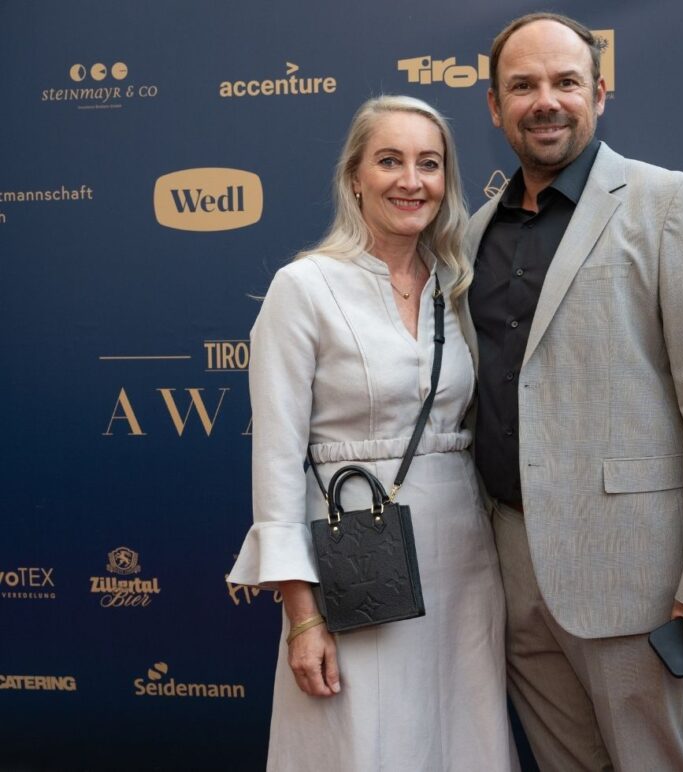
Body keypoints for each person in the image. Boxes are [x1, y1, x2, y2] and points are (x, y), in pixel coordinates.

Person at [464, 13, 683, 771]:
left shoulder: (669, 203)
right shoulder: (468, 238)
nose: (546, 101)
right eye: (522, 85)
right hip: (508, 571)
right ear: (495, 106)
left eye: (565, 82)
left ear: (600, 92)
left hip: (633, 574)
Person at [228, 95, 518, 771]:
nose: (410, 181)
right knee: (362, 745)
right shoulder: (303, 287)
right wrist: (302, 617)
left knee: (461, 739)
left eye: (429, 163)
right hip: (355, 564)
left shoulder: (459, 284)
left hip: (466, 564)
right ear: (355, 175)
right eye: (390, 161)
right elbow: (275, 463)